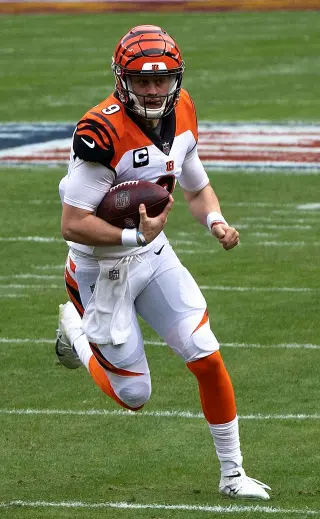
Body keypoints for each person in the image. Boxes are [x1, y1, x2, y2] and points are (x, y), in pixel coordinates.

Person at [56, 25, 271, 500]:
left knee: (206, 354)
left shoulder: (185, 108)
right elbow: (72, 224)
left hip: (153, 255)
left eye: (162, 79)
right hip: (101, 269)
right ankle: (75, 325)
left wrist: (215, 220)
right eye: (142, 80)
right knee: (135, 396)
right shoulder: (101, 131)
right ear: (122, 79)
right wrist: (133, 232)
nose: (153, 90)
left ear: (176, 78)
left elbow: (194, 186)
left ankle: (233, 476)